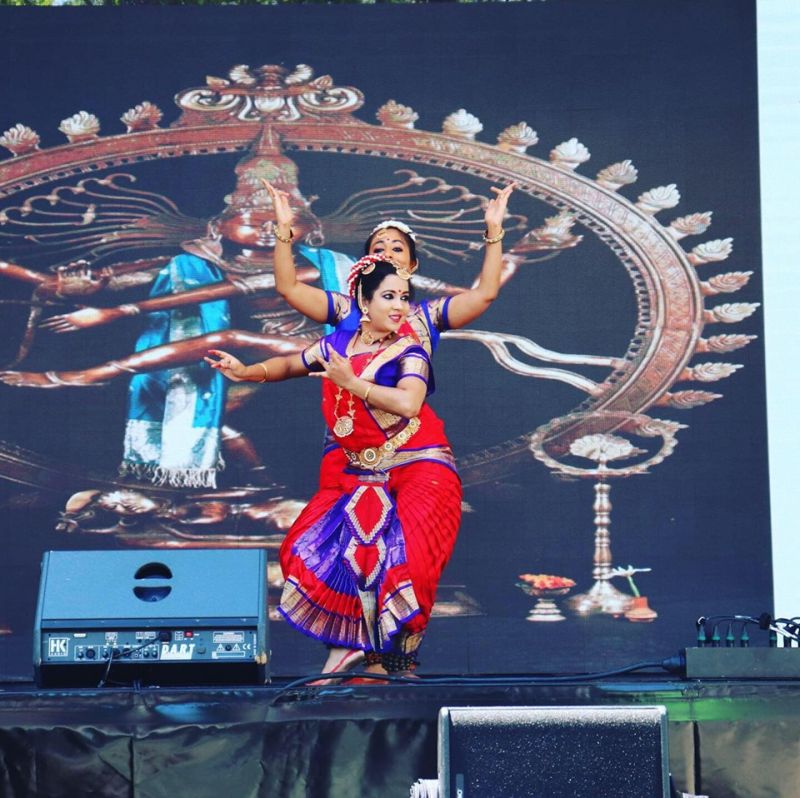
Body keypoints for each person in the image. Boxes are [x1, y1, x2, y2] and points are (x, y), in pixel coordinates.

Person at [205, 182, 514, 680]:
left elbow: (484, 294)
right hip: (350, 459)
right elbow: (289, 328)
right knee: (326, 553)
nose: (387, 253)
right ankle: (359, 655)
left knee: (406, 559)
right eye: (378, 249)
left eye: (398, 249)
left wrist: (493, 234)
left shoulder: (423, 322)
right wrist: (282, 237)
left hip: (415, 456)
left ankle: (394, 663)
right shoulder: (346, 317)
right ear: (360, 272)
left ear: (412, 267)